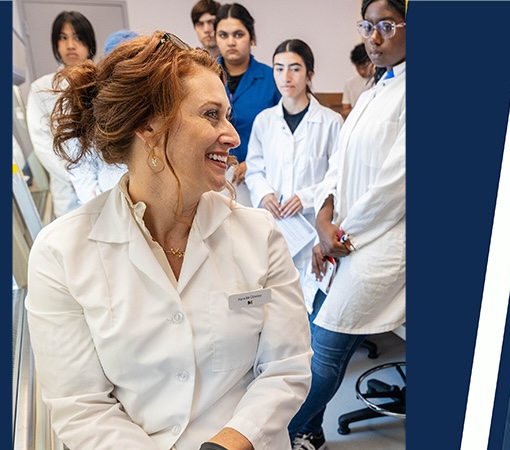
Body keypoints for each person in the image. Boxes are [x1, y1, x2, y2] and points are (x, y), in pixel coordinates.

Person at [25, 31, 313, 450]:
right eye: (211, 115)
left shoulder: (259, 234)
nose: (232, 136)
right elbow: (81, 405)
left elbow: (286, 367)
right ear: (148, 126)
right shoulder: (61, 253)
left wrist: (227, 444)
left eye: (227, 115)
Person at [288, 0, 406, 448]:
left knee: (324, 352)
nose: (373, 38)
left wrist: (336, 236)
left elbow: (395, 186)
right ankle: (309, 429)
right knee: (312, 341)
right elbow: (338, 164)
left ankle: (289, 430)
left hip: (380, 245)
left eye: (387, 26)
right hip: (342, 238)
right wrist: (323, 220)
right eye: (367, 26)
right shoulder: (376, 87)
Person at [244, 39, 343, 303]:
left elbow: (337, 175)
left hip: (312, 228)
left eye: (295, 68)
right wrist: (264, 194)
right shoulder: (264, 121)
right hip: (276, 225)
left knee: (313, 300)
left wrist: (306, 197)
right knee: (276, 301)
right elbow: (253, 169)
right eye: (279, 68)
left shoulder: (331, 122)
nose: (286, 77)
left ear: (310, 74)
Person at [26, 11, 96, 217]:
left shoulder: (103, 82)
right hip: (67, 190)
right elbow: (42, 144)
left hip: (105, 184)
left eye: (78, 37)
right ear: (56, 44)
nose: (70, 45)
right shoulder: (41, 88)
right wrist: (74, 177)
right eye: (63, 38)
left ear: (89, 42)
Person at [214, 3, 280, 206]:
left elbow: (284, 134)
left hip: (262, 180)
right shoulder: (205, 78)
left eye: (238, 34)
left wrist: (253, 162)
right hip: (214, 177)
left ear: (252, 38)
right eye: (223, 35)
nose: (231, 42)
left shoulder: (272, 79)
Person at [68, 29, 138, 203]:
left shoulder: (156, 103)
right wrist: (101, 207)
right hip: (105, 201)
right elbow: (81, 167)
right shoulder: (91, 106)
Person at [341, 43, 375, 118]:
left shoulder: (380, 81)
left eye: (364, 68)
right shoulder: (349, 83)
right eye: (357, 67)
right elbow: (345, 110)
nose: (361, 71)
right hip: (357, 119)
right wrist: (360, 110)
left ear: (372, 63)